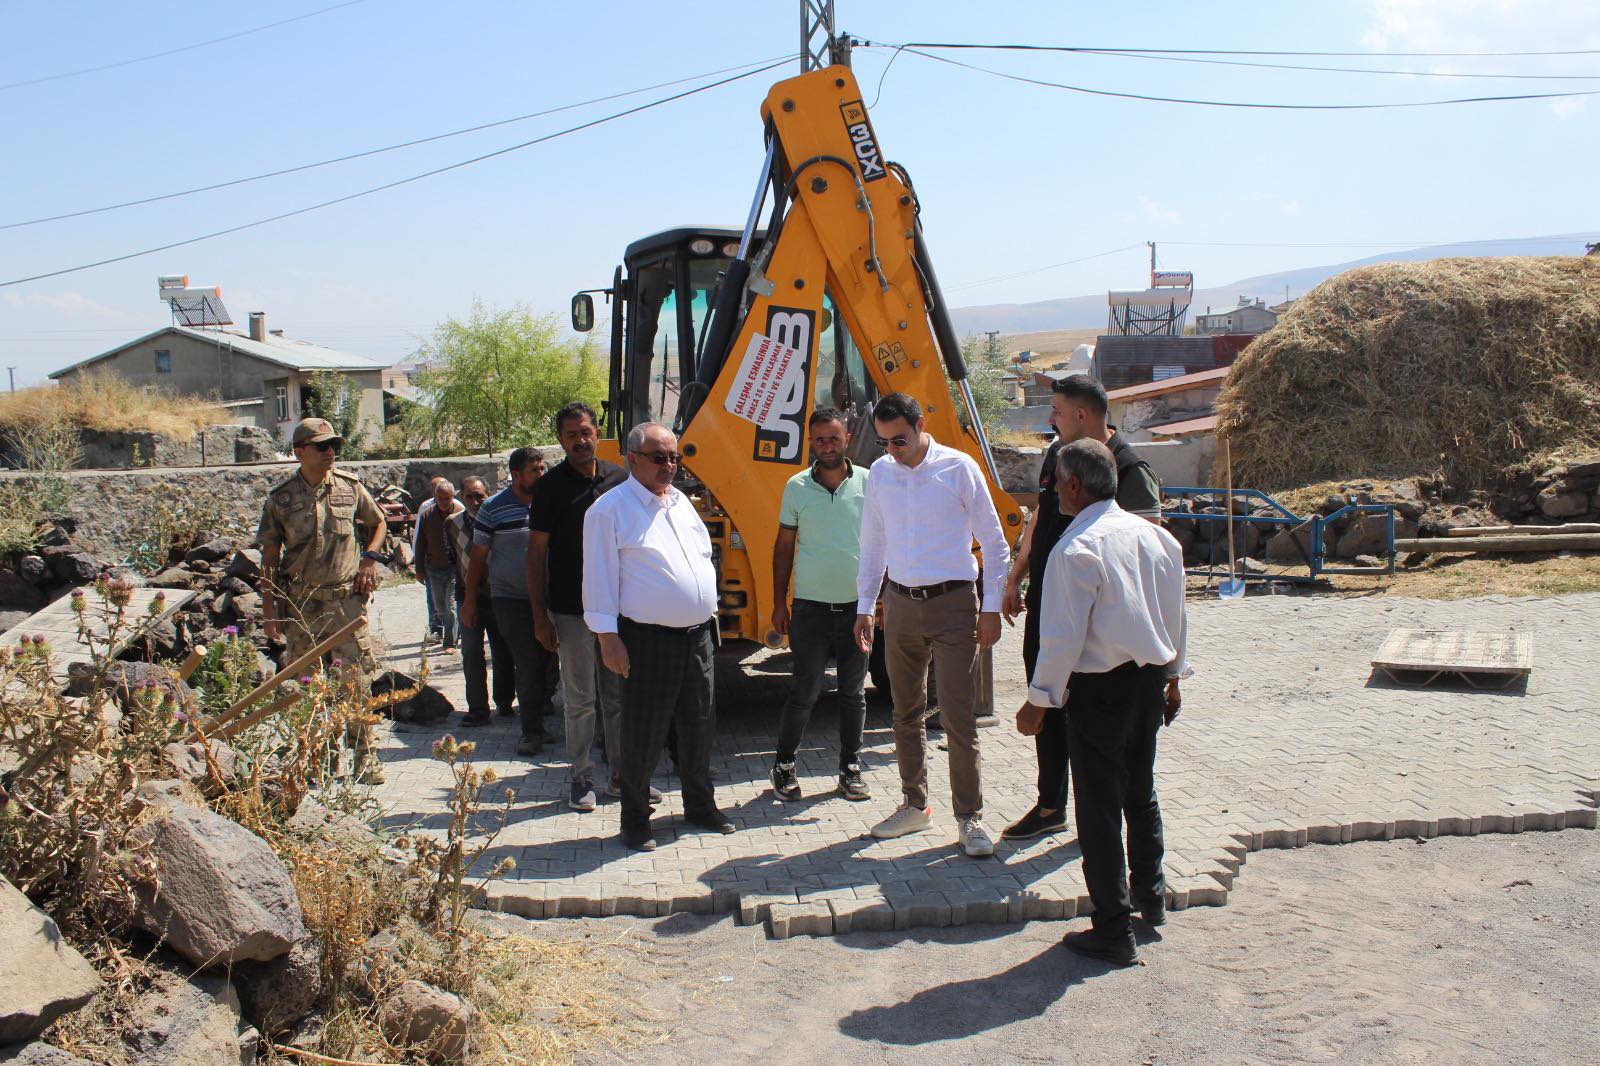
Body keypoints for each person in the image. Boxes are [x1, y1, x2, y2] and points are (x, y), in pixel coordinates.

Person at [1019, 438, 1187, 966]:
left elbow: (1062, 638)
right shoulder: (1157, 538)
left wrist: (1038, 701)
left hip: (1099, 690)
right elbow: (1178, 615)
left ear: (1072, 486)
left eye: (1056, 483)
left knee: (1097, 807)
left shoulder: (1075, 549)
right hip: (1149, 682)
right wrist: (1176, 677)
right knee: (1141, 792)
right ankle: (1150, 898)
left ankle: (1114, 928)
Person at [998, 374, 1162, 842]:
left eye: (1057, 411)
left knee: (1097, 726)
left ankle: (1106, 819)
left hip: (1103, 626)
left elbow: (1155, 547)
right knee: (1047, 703)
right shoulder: (1060, 456)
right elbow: (1040, 517)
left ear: (1082, 416)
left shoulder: (1131, 470)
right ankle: (1052, 805)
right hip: (1050, 605)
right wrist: (1017, 574)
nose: (1050, 418)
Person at [851, 393, 1009, 857]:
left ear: (922, 424)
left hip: (954, 604)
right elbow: (873, 542)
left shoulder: (959, 468)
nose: (892, 451)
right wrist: (866, 605)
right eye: (883, 443)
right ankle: (914, 806)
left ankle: (970, 818)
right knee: (904, 712)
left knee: (959, 719)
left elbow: (995, 545)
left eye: (899, 439)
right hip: (899, 604)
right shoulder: (881, 474)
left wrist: (992, 608)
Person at [583, 421, 731, 852]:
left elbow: (703, 557)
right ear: (632, 460)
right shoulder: (609, 511)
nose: (669, 465)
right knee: (643, 733)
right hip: (647, 640)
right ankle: (635, 820)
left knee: (698, 726)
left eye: (673, 457)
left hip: (697, 637)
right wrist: (607, 638)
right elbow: (598, 581)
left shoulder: (681, 501)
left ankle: (700, 806)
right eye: (658, 457)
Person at [257, 416, 389, 784]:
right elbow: (269, 558)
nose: (330, 452)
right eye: (322, 446)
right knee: (308, 687)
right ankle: (319, 760)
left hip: (346, 602)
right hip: (302, 605)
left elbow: (378, 523)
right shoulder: (281, 499)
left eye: (334, 446)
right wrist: (270, 612)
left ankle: (365, 760)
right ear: (299, 452)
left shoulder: (350, 487)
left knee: (357, 682)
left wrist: (370, 560)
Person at [527, 401, 632, 812]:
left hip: (618, 611)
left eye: (586, 432)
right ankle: (581, 777)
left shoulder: (620, 480)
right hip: (570, 611)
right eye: (571, 434)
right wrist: (540, 616)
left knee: (618, 696)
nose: (580, 440)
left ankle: (623, 777)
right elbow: (536, 556)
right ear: (560, 440)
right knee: (580, 699)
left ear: (597, 432)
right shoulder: (550, 488)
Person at [770, 407, 871, 803]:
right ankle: (783, 764)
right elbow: (782, 549)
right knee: (805, 689)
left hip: (856, 610)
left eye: (834, 437)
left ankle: (850, 769)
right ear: (810, 442)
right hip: (810, 609)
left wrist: (876, 602)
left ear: (847, 439)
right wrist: (779, 603)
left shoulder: (869, 482)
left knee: (853, 692)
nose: (827, 445)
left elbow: (884, 541)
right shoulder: (796, 487)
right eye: (819, 439)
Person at [462, 448, 554, 756]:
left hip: (550, 599)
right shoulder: (493, 508)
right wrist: (470, 601)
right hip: (510, 599)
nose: (541, 475)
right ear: (516, 475)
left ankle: (539, 720)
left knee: (547, 664)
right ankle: (531, 733)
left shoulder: (551, 502)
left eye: (543, 468)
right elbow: (477, 560)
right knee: (527, 663)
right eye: (534, 470)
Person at [449, 476, 516, 726]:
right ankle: (477, 708)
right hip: (469, 597)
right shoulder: (453, 524)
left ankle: (505, 701)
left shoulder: (499, 521)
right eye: (470, 496)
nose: (476, 501)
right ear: (462, 498)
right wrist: (465, 599)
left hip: (498, 596)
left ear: (489, 495)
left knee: (502, 651)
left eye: (480, 496)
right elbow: (455, 563)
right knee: (471, 652)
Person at [414, 478, 463, 652]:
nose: (443, 502)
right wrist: (419, 569)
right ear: (435, 497)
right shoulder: (427, 514)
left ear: (452, 497)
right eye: (439, 498)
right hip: (433, 567)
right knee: (439, 607)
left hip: (453, 569)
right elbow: (420, 543)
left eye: (446, 499)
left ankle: (450, 642)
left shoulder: (459, 513)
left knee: (450, 606)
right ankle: (450, 632)